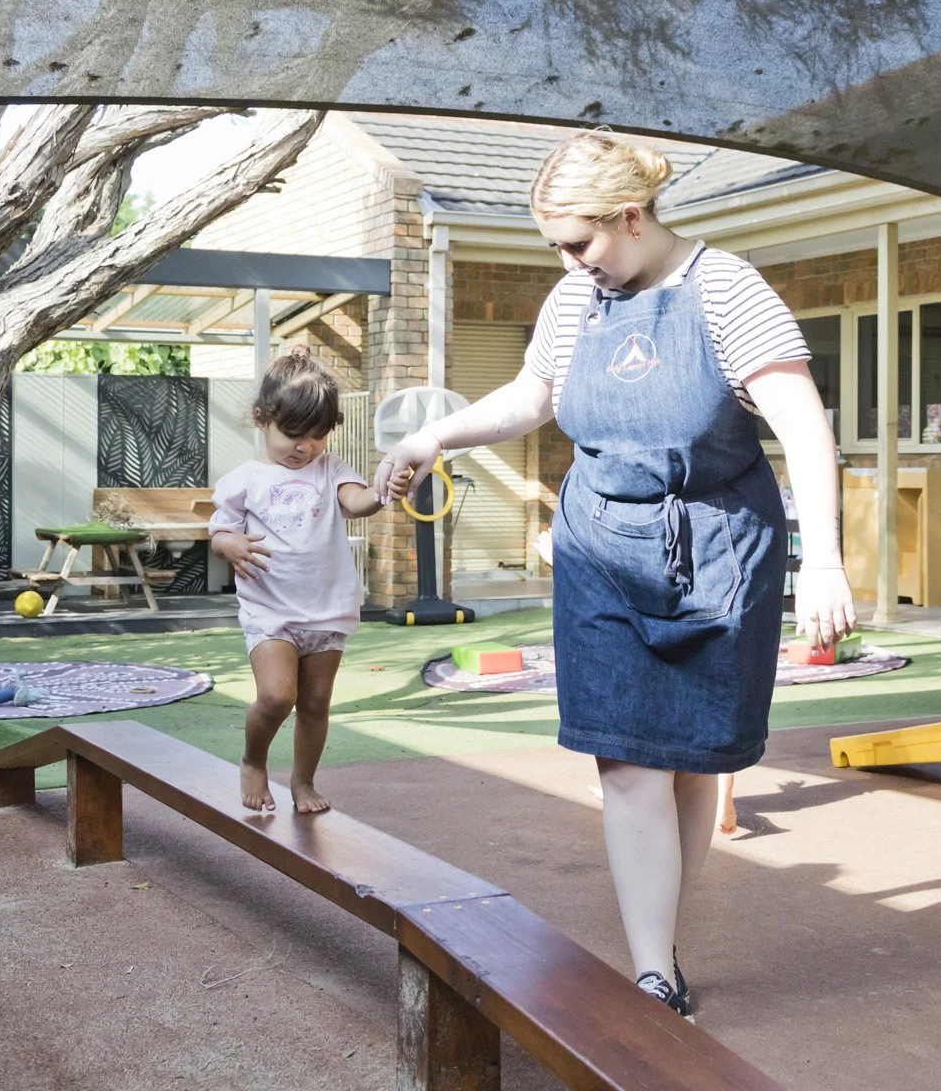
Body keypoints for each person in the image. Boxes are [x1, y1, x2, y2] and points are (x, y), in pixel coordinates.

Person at [374, 129, 854, 1018]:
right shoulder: (573, 299)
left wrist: (821, 558)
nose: (569, 261)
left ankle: (659, 931)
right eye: (559, 245)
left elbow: (803, 425)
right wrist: (431, 434)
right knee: (628, 764)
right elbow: (533, 398)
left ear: (630, 217)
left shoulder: (725, 287)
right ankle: (651, 970)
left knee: (696, 759)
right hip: (599, 545)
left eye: (579, 242)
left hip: (717, 545)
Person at [209, 347, 410, 815]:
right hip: (271, 610)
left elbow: (356, 501)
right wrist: (229, 545)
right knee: (278, 696)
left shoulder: (330, 468)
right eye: (294, 435)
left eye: (317, 437)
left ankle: (302, 781)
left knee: (316, 703)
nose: (306, 448)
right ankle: (253, 760)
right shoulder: (245, 479)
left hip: (327, 609)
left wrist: (383, 493)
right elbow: (220, 532)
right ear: (262, 419)